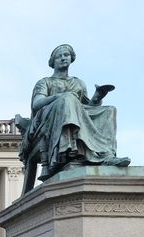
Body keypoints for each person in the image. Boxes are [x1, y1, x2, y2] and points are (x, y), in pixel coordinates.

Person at [20, 44, 130, 176]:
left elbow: (86, 107)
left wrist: (97, 97)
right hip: (49, 117)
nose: (63, 58)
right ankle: (67, 149)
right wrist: (61, 97)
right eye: (59, 56)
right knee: (69, 99)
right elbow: (37, 103)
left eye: (66, 55)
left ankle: (105, 155)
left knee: (110, 110)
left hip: (75, 113)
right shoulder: (45, 82)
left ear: (71, 59)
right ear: (52, 62)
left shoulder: (78, 83)